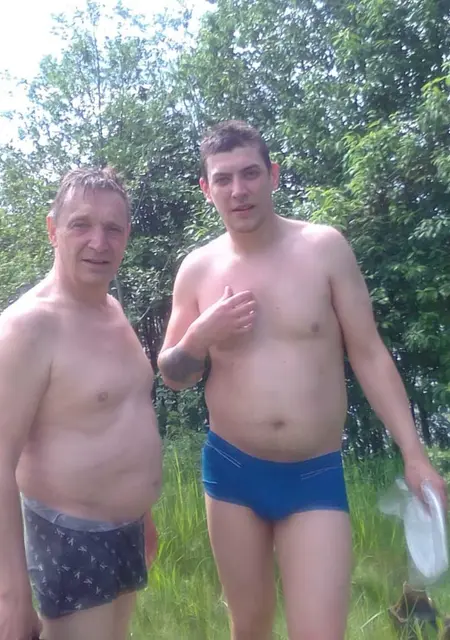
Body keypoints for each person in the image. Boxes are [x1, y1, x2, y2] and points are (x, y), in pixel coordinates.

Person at [157, 120, 447, 640]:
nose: (238, 189)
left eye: (250, 173)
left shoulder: (324, 249)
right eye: (223, 179)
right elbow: (174, 374)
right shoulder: (198, 269)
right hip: (232, 471)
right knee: (249, 626)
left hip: (314, 474)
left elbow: (369, 353)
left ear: (273, 175)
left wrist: (414, 453)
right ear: (206, 189)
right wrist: (199, 337)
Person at [0, 167, 161, 640]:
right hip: (69, 535)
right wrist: (10, 596)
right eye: (81, 225)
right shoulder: (28, 327)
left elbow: (122, 416)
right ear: (53, 230)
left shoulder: (113, 310)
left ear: (127, 236)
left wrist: (142, 512)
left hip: (126, 530)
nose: (99, 242)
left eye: (113, 228)